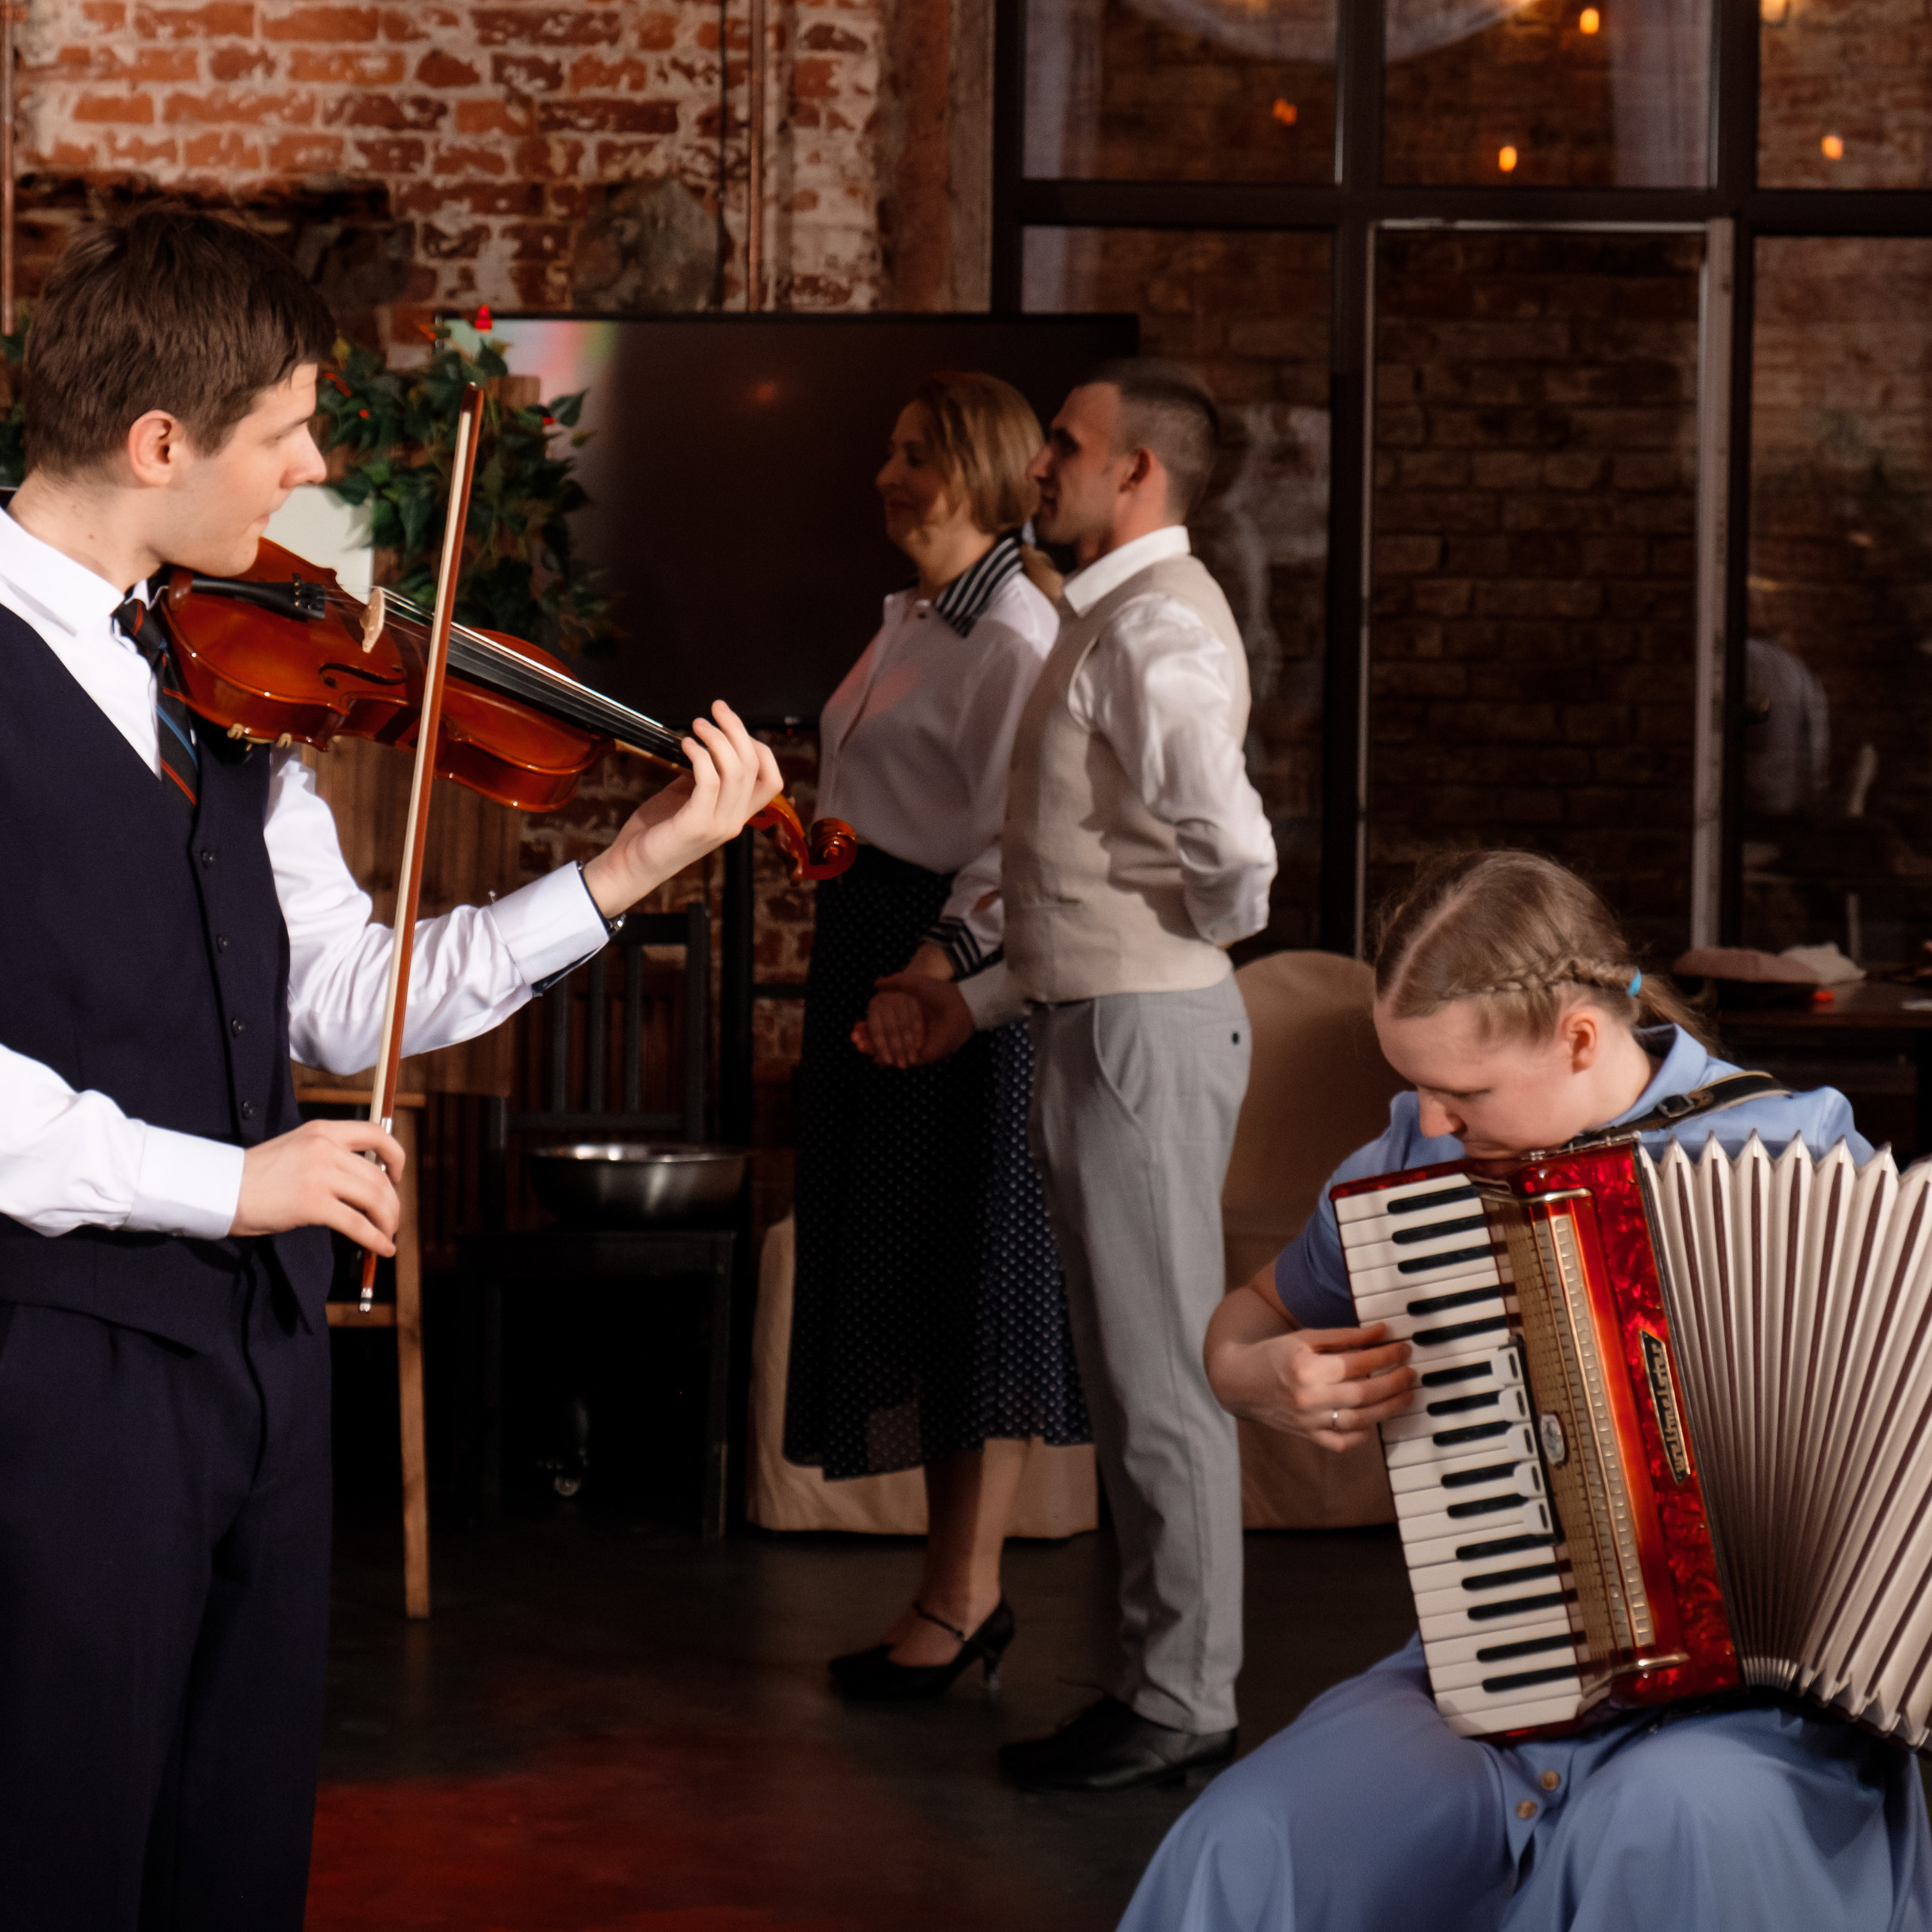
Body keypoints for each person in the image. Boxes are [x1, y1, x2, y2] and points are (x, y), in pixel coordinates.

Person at [0, 208, 783, 1930]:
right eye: (284, 428)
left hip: (257, 1361)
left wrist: (623, 871)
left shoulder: (219, 677)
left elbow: (346, 999)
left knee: (230, 1837)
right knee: (55, 1835)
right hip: (51, 1371)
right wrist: (239, 1183)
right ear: (158, 445)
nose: (313, 466)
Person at [1118, 848, 1932, 1932]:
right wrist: (1256, 1374)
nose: (1434, 1121)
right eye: (1417, 1087)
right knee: (1249, 1836)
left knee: (1663, 1823)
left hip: (1760, 1715)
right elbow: (1247, 1325)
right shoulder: (1412, 1163)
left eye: (1464, 1092)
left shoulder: (1789, 1151)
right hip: (1500, 1685)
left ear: (1581, 1037)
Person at [857, 358, 1278, 1788]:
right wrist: (970, 1009)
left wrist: (1178, 952)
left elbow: (1237, 867)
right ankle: (1161, 1683)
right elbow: (1074, 887)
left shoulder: (1158, 632)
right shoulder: (1104, 621)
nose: (1041, 464)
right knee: (1134, 1377)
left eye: (1068, 445)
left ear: (1138, 473)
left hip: (1141, 1038)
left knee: (1163, 1385)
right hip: (1095, 1027)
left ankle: (1182, 1702)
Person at [783, 371, 1089, 1699]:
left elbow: (1017, 850)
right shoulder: (917, 615)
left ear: (971, 470)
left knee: (975, 1280)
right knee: (918, 1268)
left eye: (910, 456)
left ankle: (965, 1606)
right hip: (876, 951)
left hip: (945, 981)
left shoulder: (1016, 635)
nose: (884, 477)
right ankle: (945, 1596)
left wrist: (928, 973)